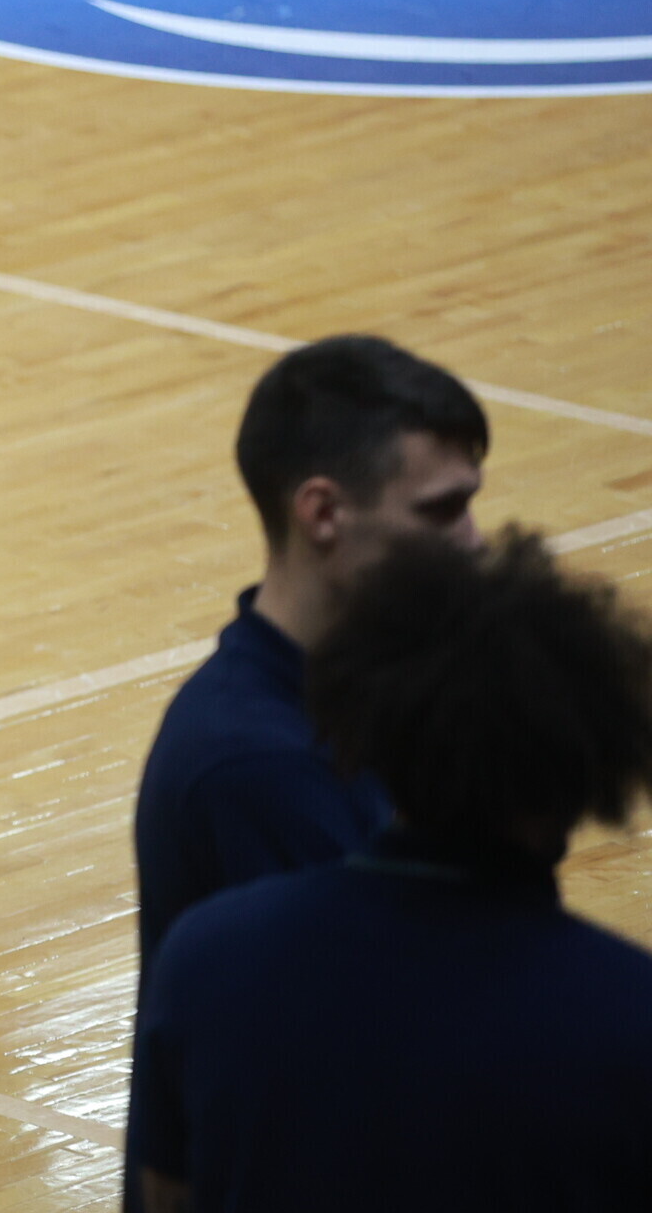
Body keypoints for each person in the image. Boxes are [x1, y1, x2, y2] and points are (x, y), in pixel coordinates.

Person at [130, 530, 652, 1211]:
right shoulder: (626, 1014)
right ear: (586, 772)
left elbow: (167, 1196)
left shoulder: (203, 957)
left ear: (366, 725)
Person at [121, 335, 486, 1210]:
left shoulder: (368, 694)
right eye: (441, 511)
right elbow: (344, 1065)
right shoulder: (259, 768)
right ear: (323, 513)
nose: (473, 543)